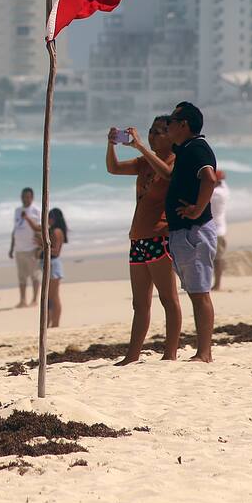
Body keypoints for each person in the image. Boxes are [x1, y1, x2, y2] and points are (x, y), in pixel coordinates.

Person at [110, 117, 182, 364]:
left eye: (157, 133)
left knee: (168, 298)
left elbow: (169, 175)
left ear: (170, 136)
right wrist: (111, 145)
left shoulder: (174, 161)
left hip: (159, 237)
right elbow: (114, 168)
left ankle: (170, 353)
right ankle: (132, 355)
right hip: (138, 238)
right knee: (139, 303)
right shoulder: (144, 164)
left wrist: (140, 146)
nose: (151, 137)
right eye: (149, 132)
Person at [163, 101, 219, 363]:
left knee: (199, 293)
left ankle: (204, 352)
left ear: (184, 124)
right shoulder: (184, 149)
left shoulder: (197, 148)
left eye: (171, 121)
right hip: (184, 231)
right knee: (195, 291)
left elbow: (210, 178)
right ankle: (202, 350)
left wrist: (197, 209)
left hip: (193, 231)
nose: (167, 125)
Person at [9, 187, 42, 308]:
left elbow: (40, 229)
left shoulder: (36, 210)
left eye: (28, 197)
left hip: (31, 249)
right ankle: (22, 300)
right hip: (19, 249)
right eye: (24, 196)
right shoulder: (17, 210)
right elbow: (15, 229)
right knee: (22, 277)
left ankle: (34, 299)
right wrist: (12, 247)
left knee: (34, 275)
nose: (25, 199)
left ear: (32, 198)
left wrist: (40, 247)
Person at [44, 209, 68, 328]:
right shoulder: (53, 230)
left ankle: (55, 323)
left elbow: (56, 252)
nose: (47, 220)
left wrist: (42, 246)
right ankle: (51, 323)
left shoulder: (57, 231)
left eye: (49, 217)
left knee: (53, 297)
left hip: (54, 264)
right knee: (50, 297)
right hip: (51, 264)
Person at [211, 170, 230, 291]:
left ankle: (217, 284)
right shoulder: (224, 189)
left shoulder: (216, 194)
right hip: (218, 229)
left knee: (217, 259)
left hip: (216, 231)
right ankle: (216, 283)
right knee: (216, 259)